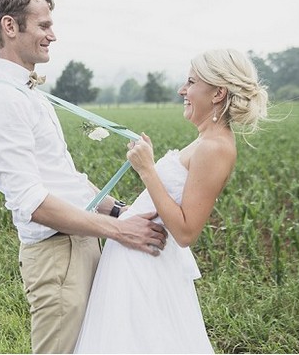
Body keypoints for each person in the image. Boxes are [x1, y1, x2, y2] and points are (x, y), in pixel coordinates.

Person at [0, 0, 167, 354]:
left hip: (80, 239)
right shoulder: (2, 101)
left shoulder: (30, 95)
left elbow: (66, 181)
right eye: (43, 25)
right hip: (56, 256)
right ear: (10, 27)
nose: (53, 35)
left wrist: (123, 211)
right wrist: (119, 230)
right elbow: (33, 202)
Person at [74, 49, 269, 354]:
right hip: (133, 260)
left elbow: (186, 231)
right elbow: (165, 205)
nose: (182, 90)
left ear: (218, 93)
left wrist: (148, 170)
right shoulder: (205, 140)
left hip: (145, 266)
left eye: (191, 82)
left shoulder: (216, 147)